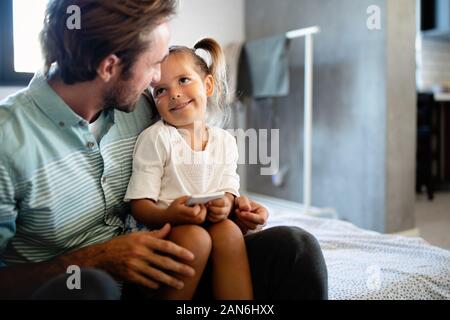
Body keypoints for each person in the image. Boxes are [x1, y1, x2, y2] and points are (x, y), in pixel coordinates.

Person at [0, 0, 328, 300]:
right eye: (154, 64)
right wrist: (96, 261)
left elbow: (194, 163)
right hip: (82, 287)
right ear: (109, 67)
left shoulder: (140, 104)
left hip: (172, 268)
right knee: (90, 287)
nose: (160, 80)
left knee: (295, 248)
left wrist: (228, 210)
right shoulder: (8, 140)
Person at [124, 38, 253, 300]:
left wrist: (226, 205)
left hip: (210, 225)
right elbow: (140, 206)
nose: (174, 93)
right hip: (165, 229)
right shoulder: (156, 138)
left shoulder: (225, 141)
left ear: (207, 85)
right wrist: (170, 214)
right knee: (196, 237)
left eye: (183, 80)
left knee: (229, 231)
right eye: (160, 90)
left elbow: (229, 190)